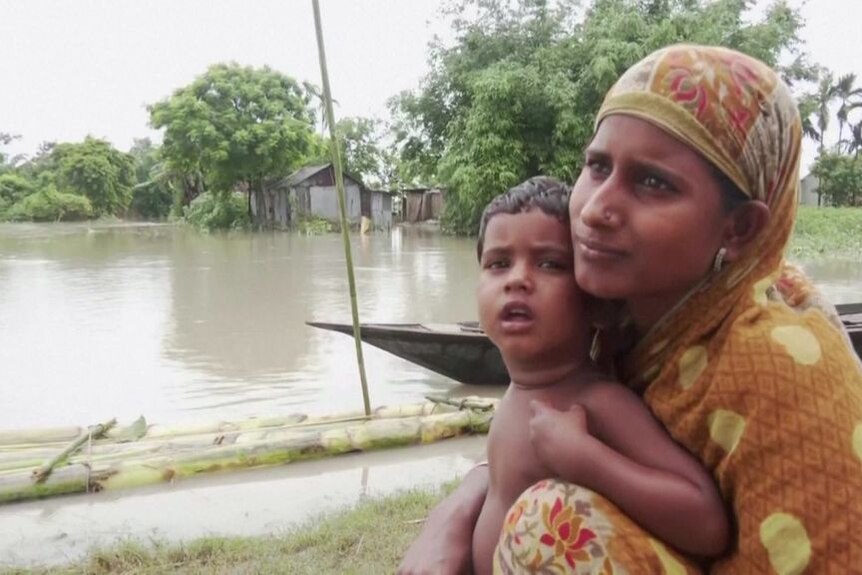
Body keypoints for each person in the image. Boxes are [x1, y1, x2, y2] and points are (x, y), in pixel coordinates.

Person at [399, 44, 862, 574]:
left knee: (549, 526)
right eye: (596, 167)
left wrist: (581, 463)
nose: (595, 211)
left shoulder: (784, 364)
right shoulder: (614, 320)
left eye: (653, 182)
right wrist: (455, 512)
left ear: (740, 229)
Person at [471, 176, 728, 575]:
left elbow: (707, 521)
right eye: (498, 263)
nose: (517, 279)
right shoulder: (518, 392)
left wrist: (587, 459)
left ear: (599, 307)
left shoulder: (594, 402)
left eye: (549, 263)